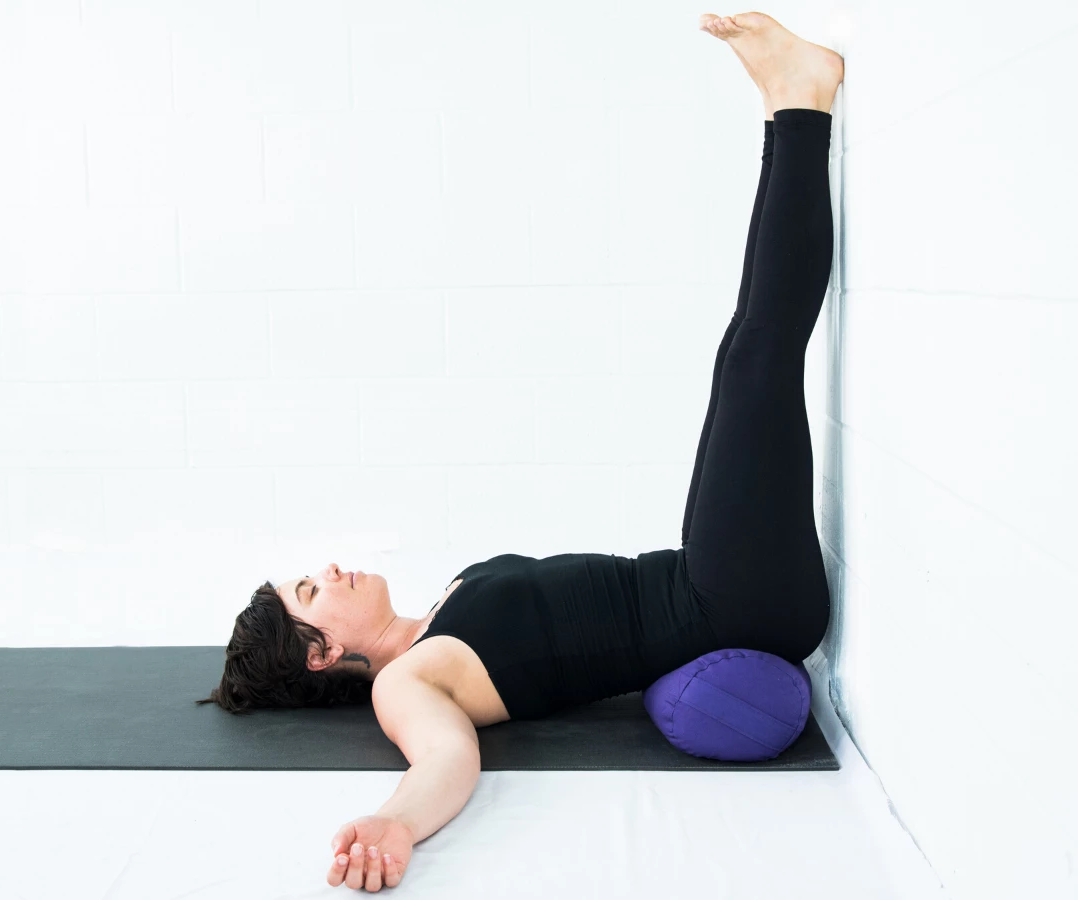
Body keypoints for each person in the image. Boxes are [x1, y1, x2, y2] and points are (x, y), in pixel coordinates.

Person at [198, 11, 846, 893]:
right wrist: (395, 822)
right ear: (318, 653)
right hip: (729, 600)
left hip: (714, 581)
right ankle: (802, 101)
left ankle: (787, 106)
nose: (332, 569)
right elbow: (444, 762)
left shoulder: (445, 609)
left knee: (747, 351)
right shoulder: (407, 685)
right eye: (312, 590)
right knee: (757, 354)